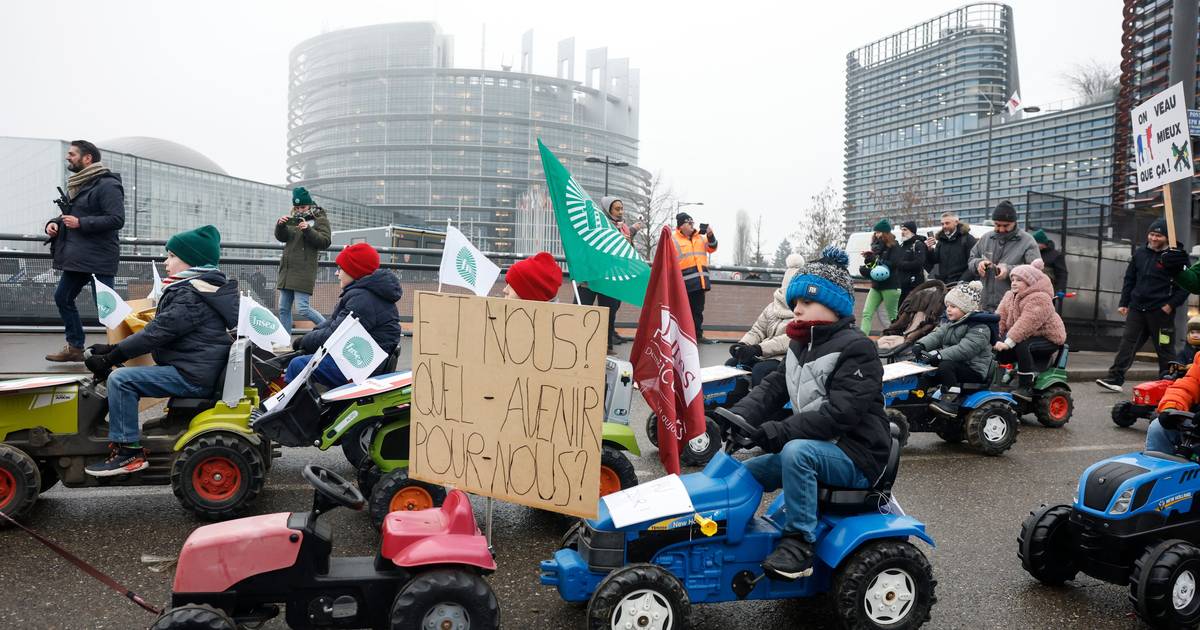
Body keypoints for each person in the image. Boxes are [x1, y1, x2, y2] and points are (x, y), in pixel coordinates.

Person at [725, 246, 890, 580]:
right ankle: (721, 531)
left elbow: (839, 414)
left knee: (796, 452)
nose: (795, 309)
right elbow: (771, 389)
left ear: (833, 305)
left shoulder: (858, 349)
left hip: (856, 455)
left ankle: (800, 545)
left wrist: (778, 432)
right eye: (794, 302)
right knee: (748, 470)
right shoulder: (800, 345)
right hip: (820, 446)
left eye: (805, 302)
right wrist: (736, 416)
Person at [80, 226, 237, 476]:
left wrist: (112, 356)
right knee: (123, 375)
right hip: (194, 368)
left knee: (121, 380)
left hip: (192, 376)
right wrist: (112, 349)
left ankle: (128, 453)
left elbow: (156, 333)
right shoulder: (196, 289)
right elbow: (159, 329)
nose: (166, 262)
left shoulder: (190, 295)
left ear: (192, 260)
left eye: (173, 256)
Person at [43, 140, 126, 362]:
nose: (67, 157)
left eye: (72, 154)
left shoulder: (108, 185)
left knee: (107, 309)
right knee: (62, 297)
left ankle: (120, 352)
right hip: (78, 258)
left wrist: (81, 223)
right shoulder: (78, 184)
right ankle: (75, 347)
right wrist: (53, 223)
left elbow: (117, 219)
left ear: (87, 158)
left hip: (99, 257)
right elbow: (69, 214)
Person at [285, 243, 401, 388]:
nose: (336, 273)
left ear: (354, 271)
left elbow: (334, 336)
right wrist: (308, 339)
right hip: (361, 361)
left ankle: (294, 410)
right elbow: (332, 322)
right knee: (302, 358)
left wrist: (303, 342)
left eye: (340, 269)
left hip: (359, 367)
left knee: (298, 365)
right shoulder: (364, 293)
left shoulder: (363, 299)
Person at [1097, 218, 1190, 392]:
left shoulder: (1176, 257)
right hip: (1137, 309)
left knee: (1165, 349)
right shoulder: (1140, 253)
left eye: (1159, 235)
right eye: (1151, 234)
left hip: (1161, 313)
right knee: (1127, 344)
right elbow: (1130, 278)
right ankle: (1115, 378)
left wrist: (1170, 305)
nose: (1154, 238)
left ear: (1166, 238)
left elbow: (1185, 286)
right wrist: (1124, 302)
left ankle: (1168, 381)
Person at [726, 253, 805, 403]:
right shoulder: (772, 307)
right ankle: (733, 405)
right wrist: (743, 345)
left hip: (786, 358)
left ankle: (757, 410)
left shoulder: (803, 310)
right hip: (763, 353)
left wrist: (758, 349)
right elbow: (758, 330)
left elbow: (789, 339)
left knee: (760, 370)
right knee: (732, 364)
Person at [911, 281, 994, 417]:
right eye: (948, 306)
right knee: (925, 376)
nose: (948, 309)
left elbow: (965, 349)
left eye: (953, 306)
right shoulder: (951, 324)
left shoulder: (980, 328)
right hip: (955, 365)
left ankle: (951, 401)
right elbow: (937, 335)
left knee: (945, 366)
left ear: (967, 308)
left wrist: (939, 355)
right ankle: (918, 402)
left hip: (973, 369)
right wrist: (921, 345)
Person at [994, 262, 1067, 402]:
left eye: (1019, 280)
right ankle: (997, 380)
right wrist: (995, 337)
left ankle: (1026, 385)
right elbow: (1000, 317)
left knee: (1022, 344)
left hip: (1048, 338)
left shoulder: (1040, 298)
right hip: (1024, 335)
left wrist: (1008, 342)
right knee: (1001, 349)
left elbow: (1027, 323)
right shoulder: (1010, 295)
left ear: (1030, 282)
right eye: (1013, 279)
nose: (1014, 283)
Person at [576, 196, 638, 351]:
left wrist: (626, 242)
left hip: (611, 277)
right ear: (607, 209)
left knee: (609, 314)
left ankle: (606, 347)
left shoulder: (623, 228)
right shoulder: (596, 224)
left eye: (621, 208)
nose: (620, 212)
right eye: (617, 209)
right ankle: (576, 343)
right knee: (580, 310)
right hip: (591, 276)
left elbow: (628, 253)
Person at [276, 187, 332, 334]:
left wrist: (308, 229)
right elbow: (283, 237)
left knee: (302, 308)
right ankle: (284, 341)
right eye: (297, 207)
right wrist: (280, 226)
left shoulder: (319, 218)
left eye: (303, 207)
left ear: (310, 205)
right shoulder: (293, 219)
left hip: (304, 270)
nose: (300, 210)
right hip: (288, 270)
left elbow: (325, 241)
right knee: (283, 308)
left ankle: (330, 331)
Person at [967, 201, 1040, 312]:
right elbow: (972, 259)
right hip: (984, 304)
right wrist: (978, 264)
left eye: (1005, 226)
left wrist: (1010, 270)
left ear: (1014, 222)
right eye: (997, 224)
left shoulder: (1028, 241)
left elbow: (1035, 271)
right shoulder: (986, 238)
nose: (1001, 229)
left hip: (1013, 307)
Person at [672, 212, 719, 343]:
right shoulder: (673, 239)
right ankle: (682, 336)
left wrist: (710, 235)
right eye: (689, 223)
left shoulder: (700, 237)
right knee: (682, 312)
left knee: (698, 311)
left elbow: (712, 248)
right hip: (683, 283)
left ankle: (697, 335)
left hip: (700, 282)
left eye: (693, 222)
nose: (692, 225)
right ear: (681, 226)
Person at [858, 219, 903, 334]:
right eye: (875, 232)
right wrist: (868, 260)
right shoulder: (876, 248)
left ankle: (896, 339)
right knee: (867, 313)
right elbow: (874, 267)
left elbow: (893, 264)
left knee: (892, 317)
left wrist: (876, 259)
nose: (876, 235)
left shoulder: (895, 246)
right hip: (876, 286)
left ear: (886, 233)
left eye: (879, 232)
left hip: (890, 286)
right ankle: (863, 339)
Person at [924, 212, 977, 283]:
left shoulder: (968, 239)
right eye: (942, 224)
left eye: (947, 223)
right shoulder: (941, 240)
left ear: (956, 222)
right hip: (944, 284)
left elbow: (973, 263)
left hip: (961, 284)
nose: (944, 226)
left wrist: (961, 281)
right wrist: (930, 249)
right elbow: (935, 259)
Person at [897, 220, 928, 306]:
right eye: (902, 230)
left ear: (912, 231)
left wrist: (901, 264)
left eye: (905, 230)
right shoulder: (902, 245)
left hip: (913, 286)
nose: (902, 232)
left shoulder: (918, 244)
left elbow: (919, 263)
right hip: (901, 286)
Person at [1032, 229, 1069, 296]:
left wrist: (1060, 289)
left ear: (1042, 243)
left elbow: (1062, 274)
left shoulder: (1056, 255)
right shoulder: (1033, 253)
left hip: (1048, 292)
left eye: (1035, 243)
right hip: (1032, 291)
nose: (1033, 245)